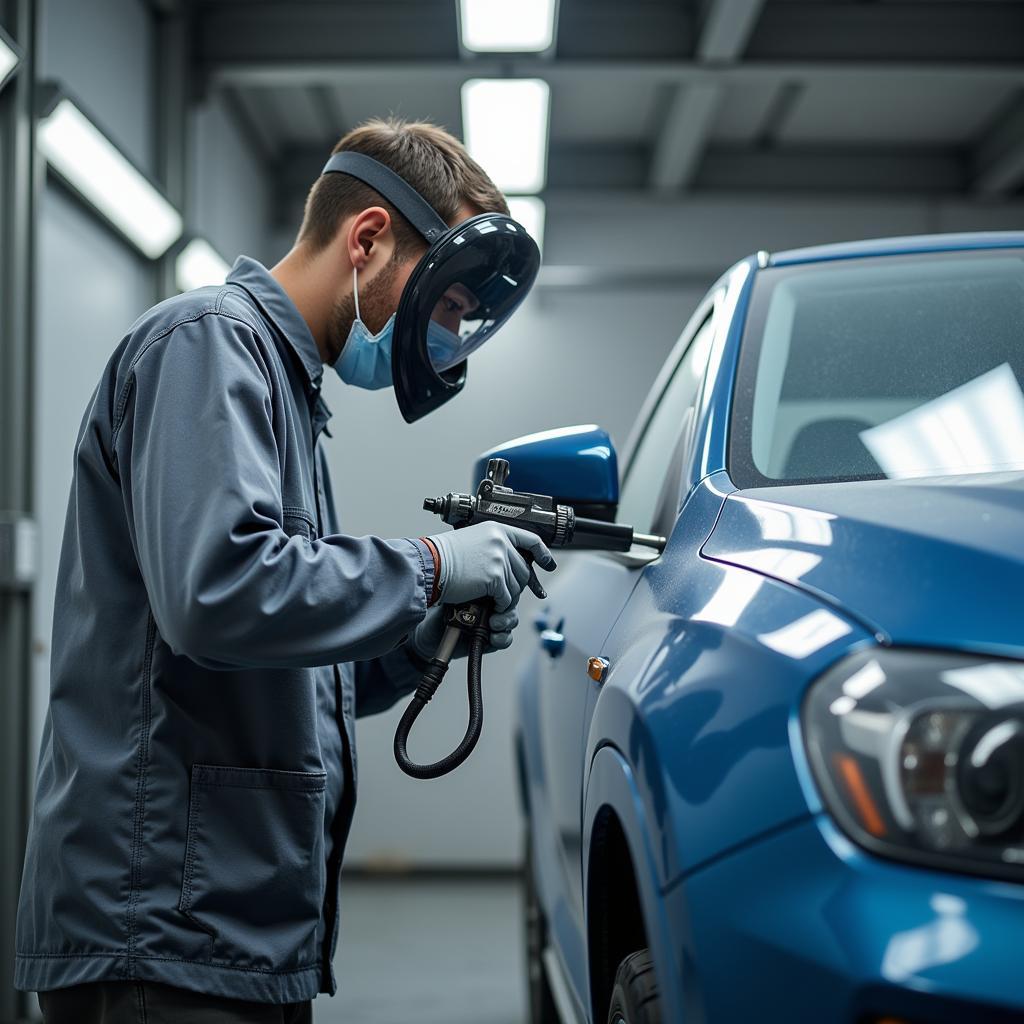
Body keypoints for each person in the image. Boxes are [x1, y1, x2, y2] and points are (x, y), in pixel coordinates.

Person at [15, 117, 553, 1023]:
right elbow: (219, 595)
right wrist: (428, 565)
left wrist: (417, 646)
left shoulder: (284, 391)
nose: (446, 333)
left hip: (223, 930)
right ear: (369, 237)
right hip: (159, 932)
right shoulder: (206, 344)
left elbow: (287, 659)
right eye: (446, 302)